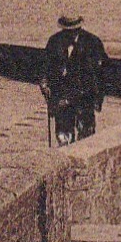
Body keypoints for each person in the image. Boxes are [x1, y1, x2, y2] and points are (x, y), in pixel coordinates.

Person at [40, 14, 108, 145]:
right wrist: (44, 83)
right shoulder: (54, 42)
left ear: (79, 28)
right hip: (61, 99)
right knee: (63, 138)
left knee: (86, 139)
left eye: (73, 30)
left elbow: (102, 73)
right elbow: (45, 67)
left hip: (84, 98)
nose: (69, 34)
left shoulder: (93, 42)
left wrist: (98, 99)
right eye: (66, 30)